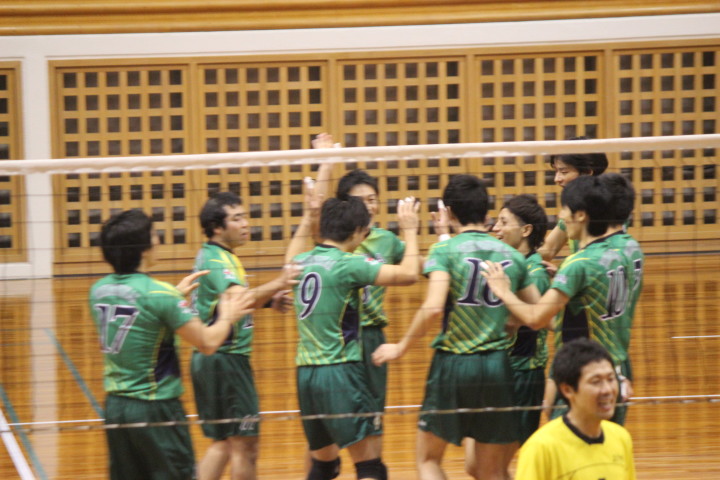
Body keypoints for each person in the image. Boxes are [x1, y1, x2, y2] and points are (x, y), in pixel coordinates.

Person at [373, 174, 540, 480]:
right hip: (496, 367)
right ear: (487, 213)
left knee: (428, 460)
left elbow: (434, 307)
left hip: (453, 364)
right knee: (491, 471)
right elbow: (541, 316)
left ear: (449, 212)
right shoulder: (514, 257)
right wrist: (508, 317)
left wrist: (401, 346)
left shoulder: (446, 251)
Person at [89, 209, 254, 480]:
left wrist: (173, 297)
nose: (158, 240)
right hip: (156, 408)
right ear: (143, 248)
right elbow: (207, 343)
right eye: (154, 235)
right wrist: (228, 315)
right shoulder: (159, 293)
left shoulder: (99, 290)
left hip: (116, 407)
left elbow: (136, 318)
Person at [285, 189, 420, 480]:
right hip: (340, 372)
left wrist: (309, 215)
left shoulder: (299, 261)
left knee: (323, 467)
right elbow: (409, 274)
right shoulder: (348, 263)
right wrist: (410, 230)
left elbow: (290, 254)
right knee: (370, 467)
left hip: (306, 374)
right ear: (358, 231)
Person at [482, 175, 636, 425]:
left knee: (570, 441)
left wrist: (503, 291)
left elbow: (535, 319)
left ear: (581, 215)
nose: (561, 217)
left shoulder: (578, 264)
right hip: (617, 366)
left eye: (565, 209)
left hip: (586, 372)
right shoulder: (628, 250)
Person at [190, 192, 298, 480]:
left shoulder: (216, 255)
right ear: (217, 228)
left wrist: (268, 301)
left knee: (224, 444)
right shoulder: (217, 260)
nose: (246, 223)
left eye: (245, 217)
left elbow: (229, 303)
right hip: (226, 360)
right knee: (245, 446)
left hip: (212, 359)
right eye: (237, 219)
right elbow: (239, 298)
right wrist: (280, 282)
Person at [463, 194, 551, 477]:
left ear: (526, 230)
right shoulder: (508, 264)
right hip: (500, 372)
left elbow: (527, 320)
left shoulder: (534, 272)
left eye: (503, 222)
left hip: (523, 375)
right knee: (476, 466)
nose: (495, 228)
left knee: (489, 468)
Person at [515, 338, 637, 480]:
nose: (607, 390)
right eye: (596, 382)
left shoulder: (621, 438)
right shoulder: (541, 448)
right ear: (567, 390)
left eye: (611, 379)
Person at [539, 137, 609, 261]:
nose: (557, 179)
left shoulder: (608, 209)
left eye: (564, 172)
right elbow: (548, 250)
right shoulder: (574, 208)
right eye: (556, 171)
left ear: (587, 173)